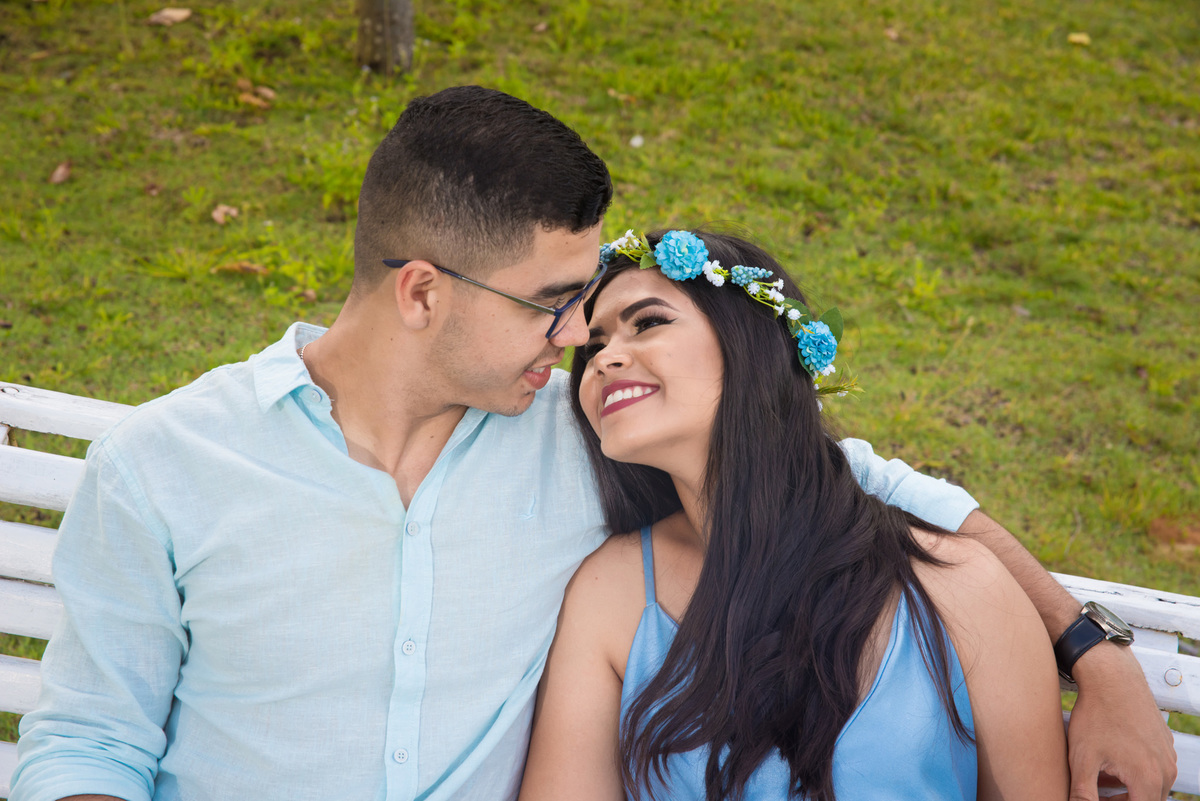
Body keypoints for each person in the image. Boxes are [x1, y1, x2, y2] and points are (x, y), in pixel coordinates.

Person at [10, 88, 1172, 801]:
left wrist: (1093, 649)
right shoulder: (163, 470)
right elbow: (90, 741)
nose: (578, 342)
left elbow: (835, 475)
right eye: (556, 304)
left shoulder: (573, 440)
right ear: (422, 292)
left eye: (606, 311)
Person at [519, 229, 1069, 800]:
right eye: (594, 344)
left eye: (648, 322)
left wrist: (1101, 658)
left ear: (750, 343)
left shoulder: (961, 589)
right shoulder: (613, 591)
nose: (603, 357)